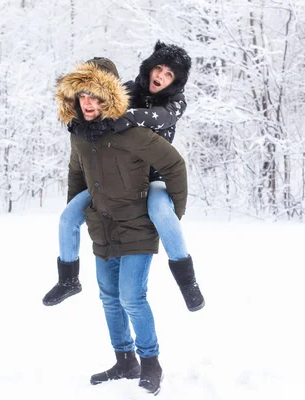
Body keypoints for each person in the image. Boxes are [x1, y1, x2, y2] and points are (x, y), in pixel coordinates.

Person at [53, 56, 189, 395]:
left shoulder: (131, 130)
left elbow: (174, 166)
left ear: (108, 96)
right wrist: (82, 214)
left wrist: (172, 216)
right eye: (81, 94)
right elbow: (76, 174)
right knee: (109, 298)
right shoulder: (80, 134)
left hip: (138, 225)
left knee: (132, 297)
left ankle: (151, 364)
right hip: (104, 224)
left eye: (94, 95)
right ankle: (124, 360)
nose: (87, 102)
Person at [43, 41, 204, 313]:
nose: (161, 77)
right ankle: (68, 279)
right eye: (159, 69)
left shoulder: (176, 102)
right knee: (68, 216)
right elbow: (101, 104)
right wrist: (78, 121)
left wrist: (128, 117)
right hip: (116, 177)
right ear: (150, 67)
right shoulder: (129, 89)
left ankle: (187, 282)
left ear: (176, 82)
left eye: (169, 75)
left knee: (163, 215)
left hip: (155, 177)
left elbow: (161, 117)